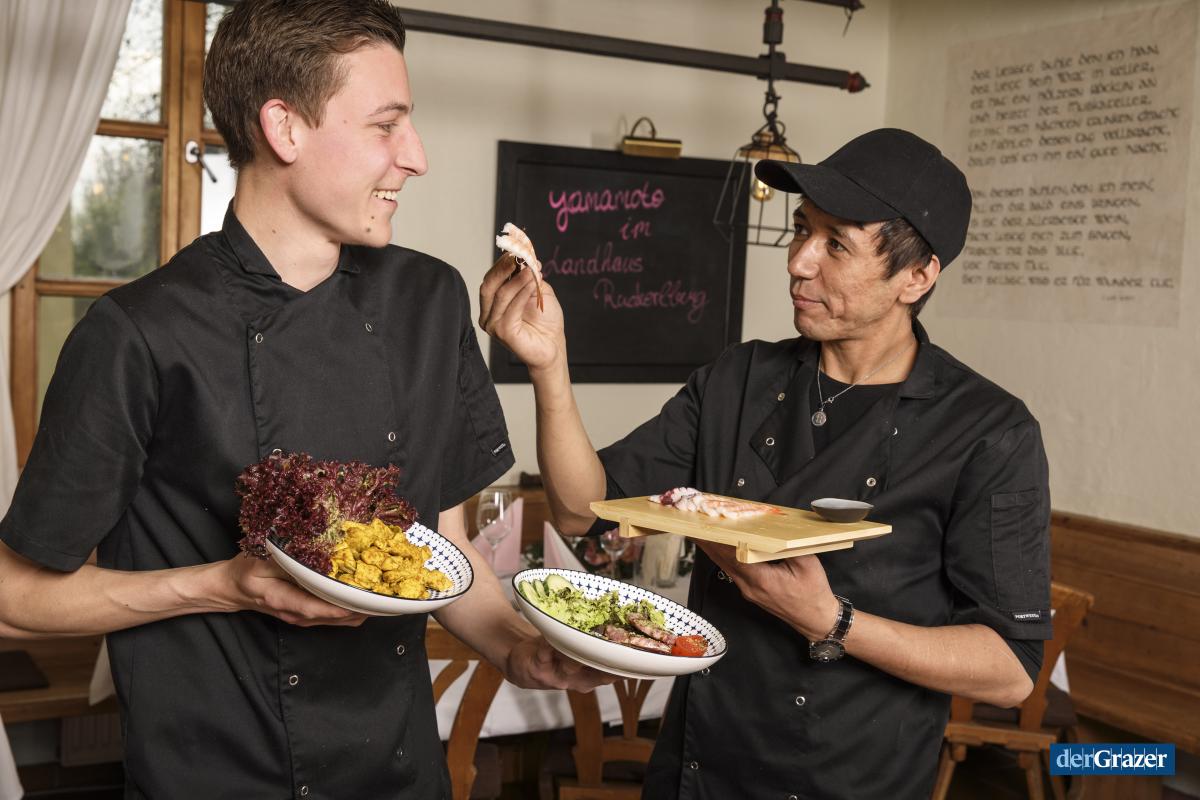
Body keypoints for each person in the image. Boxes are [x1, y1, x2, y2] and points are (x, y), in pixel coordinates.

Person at [0, 1, 611, 797]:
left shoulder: (428, 300)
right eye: (386, 125)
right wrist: (220, 584)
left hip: (401, 774)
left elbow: (444, 546)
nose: (416, 157)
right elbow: (13, 599)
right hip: (215, 777)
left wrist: (516, 648)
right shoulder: (140, 333)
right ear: (284, 128)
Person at [480, 128, 1052, 799]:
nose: (799, 262)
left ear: (917, 276)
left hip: (849, 783)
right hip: (695, 771)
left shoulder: (988, 431)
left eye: (836, 244)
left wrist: (833, 622)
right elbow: (584, 508)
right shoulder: (740, 377)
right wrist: (550, 366)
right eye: (803, 229)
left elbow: (1010, 671)